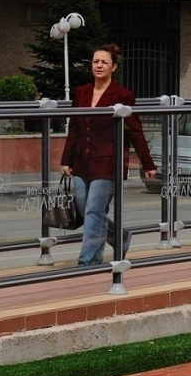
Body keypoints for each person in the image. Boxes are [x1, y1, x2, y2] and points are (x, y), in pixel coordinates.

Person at [59, 43, 157, 266]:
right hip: (81, 161)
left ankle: (88, 262)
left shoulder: (122, 95)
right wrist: (66, 159)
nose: (99, 65)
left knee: (94, 210)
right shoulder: (81, 92)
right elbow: (74, 126)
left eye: (104, 62)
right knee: (85, 211)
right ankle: (119, 237)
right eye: (95, 61)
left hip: (108, 163)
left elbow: (135, 131)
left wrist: (147, 164)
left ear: (113, 67)